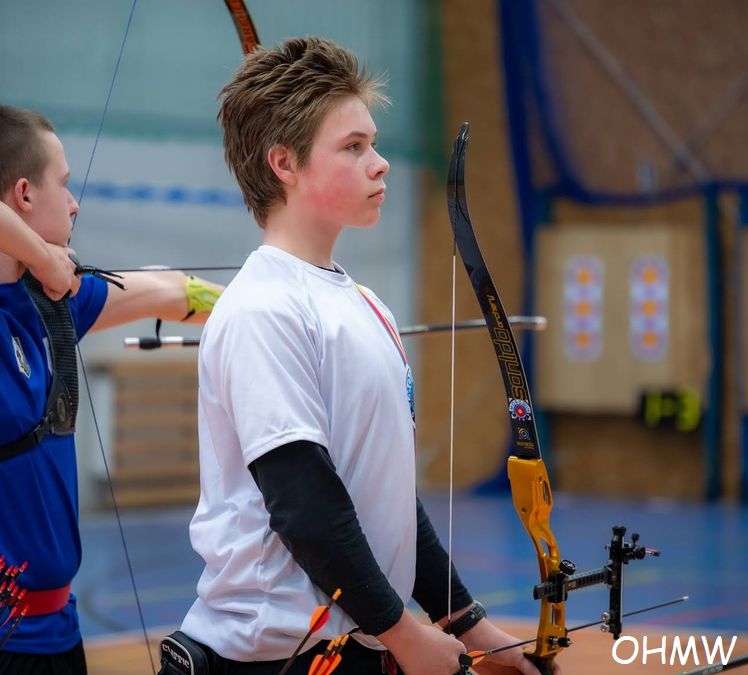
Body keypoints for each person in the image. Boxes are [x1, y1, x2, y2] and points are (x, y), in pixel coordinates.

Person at [173, 37, 544, 675]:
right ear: (283, 162)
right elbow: (306, 507)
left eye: (372, 144)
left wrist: (468, 623)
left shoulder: (366, 303)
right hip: (276, 658)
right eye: (353, 147)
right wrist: (405, 636)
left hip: (360, 643)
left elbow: (385, 498)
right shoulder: (263, 309)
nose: (380, 163)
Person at [0, 102, 223, 673]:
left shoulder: (51, 304)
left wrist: (270, 306)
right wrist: (44, 258)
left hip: (58, 632)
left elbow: (168, 289)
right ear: (25, 194)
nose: (75, 201)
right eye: (64, 182)